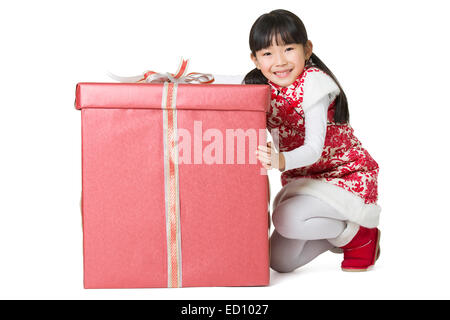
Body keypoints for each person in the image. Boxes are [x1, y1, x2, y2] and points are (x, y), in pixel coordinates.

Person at [247, 9, 381, 272]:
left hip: (344, 177)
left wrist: (279, 159)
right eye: (267, 53)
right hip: (303, 183)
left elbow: (313, 149)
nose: (280, 61)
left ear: (307, 49)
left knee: (285, 218)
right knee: (278, 262)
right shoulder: (260, 89)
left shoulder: (314, 83)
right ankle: (341, 235)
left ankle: (359, 236)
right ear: (255, 59)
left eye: (288, 49)